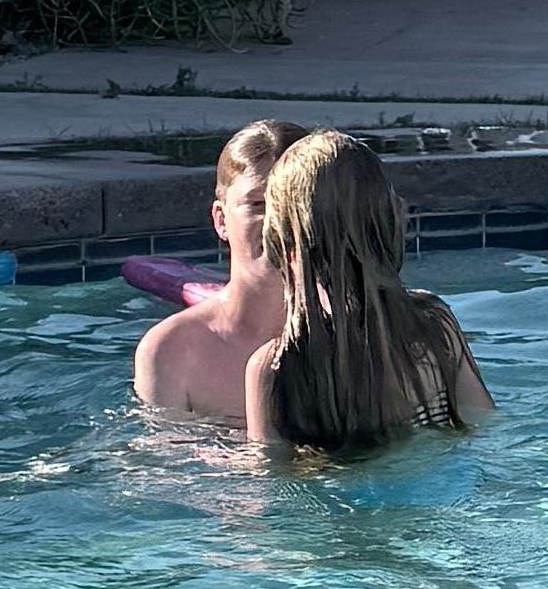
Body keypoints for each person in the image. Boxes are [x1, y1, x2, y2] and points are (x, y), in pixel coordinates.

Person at [246, 129, 492, 458]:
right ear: (389, 221)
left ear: (283, 240)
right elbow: (485, 425)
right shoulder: (433, 325)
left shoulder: (275, 366)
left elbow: (269, 477)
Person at [131, 121, 295, 426]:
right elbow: (163, 467)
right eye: (257, 204)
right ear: (221, 220)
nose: (277, 222)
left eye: (293, 205)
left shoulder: (361, 335)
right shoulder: (173, 350)